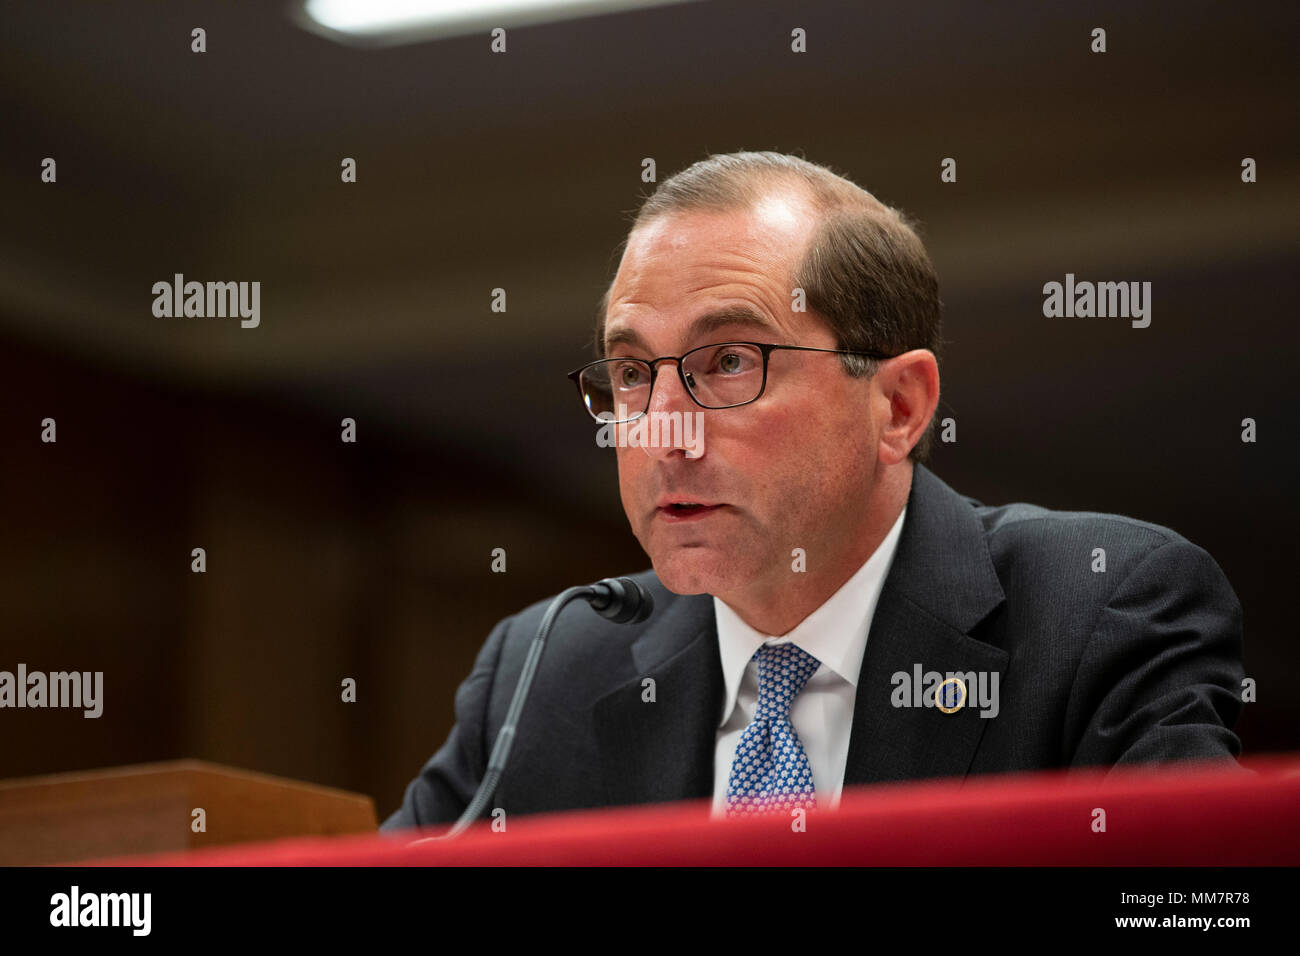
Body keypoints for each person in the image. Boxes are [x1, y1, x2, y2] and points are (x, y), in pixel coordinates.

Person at [381, 151, 1244, 830]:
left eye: (728, 362)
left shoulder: (1100, 611)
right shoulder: (550, 667)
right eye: (634, 372)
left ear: (898, 406)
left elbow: (1193, 905)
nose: (664, 428)